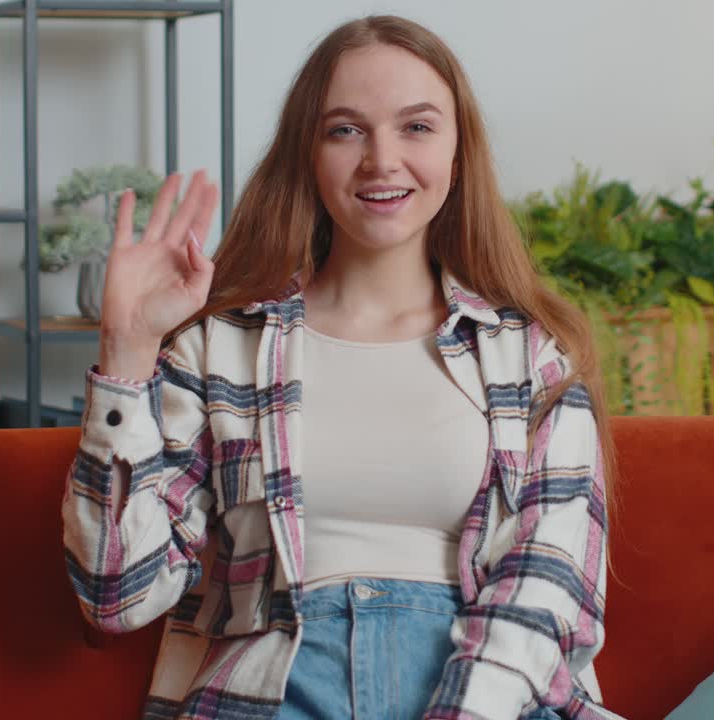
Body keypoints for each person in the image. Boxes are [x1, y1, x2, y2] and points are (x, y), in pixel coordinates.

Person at [62, 14, 621, 720]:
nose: (381, 160)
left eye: (416, 127)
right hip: (270, 694)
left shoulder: (531, 355)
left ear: (458, 151)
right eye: (345, 130)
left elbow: (545, 593)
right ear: (308, 153)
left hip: (485, 694)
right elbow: (116, 597)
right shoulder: (218, 348)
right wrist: (127, 350)